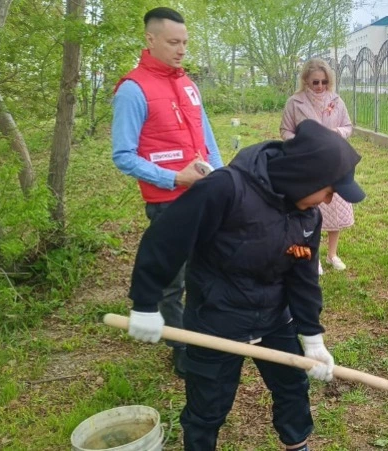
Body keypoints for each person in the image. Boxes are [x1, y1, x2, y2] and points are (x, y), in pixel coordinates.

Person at [124, 119, 365, 451]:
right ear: (305, 175)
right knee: (208, 404)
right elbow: (165, 241)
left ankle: (297, 446)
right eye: (329, 191)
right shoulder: (225, 189)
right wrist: (146, 303)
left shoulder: (307, 216)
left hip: (274, 317)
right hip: (216, 318)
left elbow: (303, 278)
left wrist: (312, 338)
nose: (327, 201)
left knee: (292, 388)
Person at [111, 7, 224, 378]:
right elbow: (123, 156)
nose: (181, 50)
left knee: (206, 271)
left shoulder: (189, 85)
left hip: (204, 198)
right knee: (171, 280)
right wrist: (174, 178)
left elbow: (207, 140)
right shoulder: (133, 89)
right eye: (174, 42)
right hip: (168, 203)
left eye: (185, 43)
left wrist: (223, 181)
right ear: (151, 39)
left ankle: (205, 333)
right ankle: (181, 346)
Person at [281, 58, 354, 275]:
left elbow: (348, 127)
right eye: (315, 82)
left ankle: (332, 254)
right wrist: (298, 143)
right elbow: (285, 130)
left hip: (333, 162)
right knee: (312, 211)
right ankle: (315, 256)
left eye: (324, 82)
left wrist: (336, 133)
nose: (320, 86)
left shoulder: (337, 100)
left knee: (334, 210)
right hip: (307, 164)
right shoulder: (295, 103)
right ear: (305, 81)